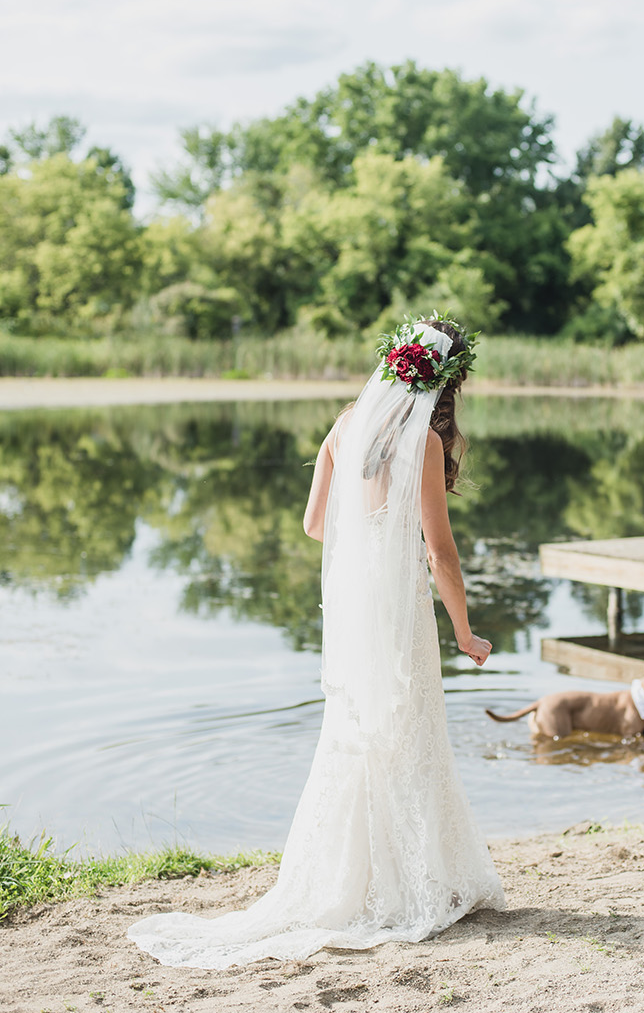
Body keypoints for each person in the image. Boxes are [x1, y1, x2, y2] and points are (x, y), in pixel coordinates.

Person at [127, 315, 505, 969]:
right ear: (445, 382)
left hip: (355, 602)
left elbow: (313, 524)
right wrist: (465, 632)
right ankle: (418, 884)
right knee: (408, 729)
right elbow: (441, 555)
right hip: (397, 608)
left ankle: (354, 883)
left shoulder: (344, 424)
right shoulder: (426, 445)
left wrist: (367, 537)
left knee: (356, 729)